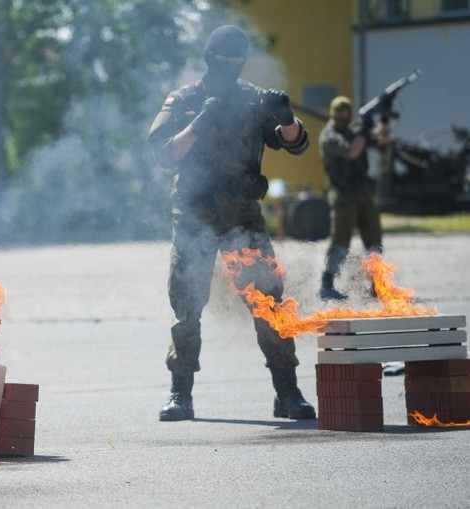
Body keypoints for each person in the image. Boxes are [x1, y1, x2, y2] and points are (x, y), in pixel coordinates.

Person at [147, 25, 314, 422]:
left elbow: (297, 143)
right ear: (209, 59)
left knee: (269, 302)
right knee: (187, 306)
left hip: (243, 218)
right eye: (222, 61)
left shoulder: (253, 100)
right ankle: (180, 394)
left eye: (236, 62)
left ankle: (288, 392)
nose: (229, 68)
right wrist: (198, 124)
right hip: (195, 216)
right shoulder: (185, 100)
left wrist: (286, 117)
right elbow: (164, 155)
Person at [318, 95, 389, 300]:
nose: (343, 115)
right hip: (343, 196)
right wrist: (364, 133)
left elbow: (382, 140)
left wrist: (383, 119)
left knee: (374, 239)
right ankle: (327, 284)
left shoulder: (355, 132)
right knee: (340, 240)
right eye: (340, 112)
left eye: (346, 112)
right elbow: (351, 152)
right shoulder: (329, 136)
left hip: (364, 194)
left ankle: (378, 284)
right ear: (333, 113)